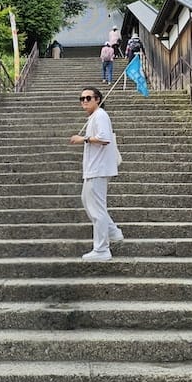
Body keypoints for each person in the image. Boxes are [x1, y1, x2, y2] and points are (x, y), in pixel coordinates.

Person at [69, 87, 123, 261]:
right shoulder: (95, 117)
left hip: (98, 169)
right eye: (82, 98)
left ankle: (102, 250)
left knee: (97, 210)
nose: (84, 101)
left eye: (88, 98)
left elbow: (105, 138)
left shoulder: (100, 115)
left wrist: (82, 139)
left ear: (97, 99)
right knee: (88, 202)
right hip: (93, 169)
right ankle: (113, 232)